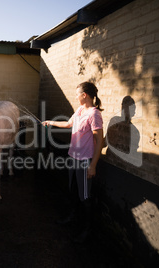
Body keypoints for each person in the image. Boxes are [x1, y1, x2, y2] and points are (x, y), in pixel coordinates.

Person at [42, 81, 104, 243]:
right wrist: (51, 122)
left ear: (84, 95)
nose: (76, 96)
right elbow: (69, 124)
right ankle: (73, 217)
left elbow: (99, 142)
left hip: (85, 161)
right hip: (73, 158)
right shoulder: (80, 110)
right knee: (73, 190)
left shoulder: (94, 114)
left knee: (85, 196)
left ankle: (88, 228)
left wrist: (93, 165)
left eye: (77, 94)